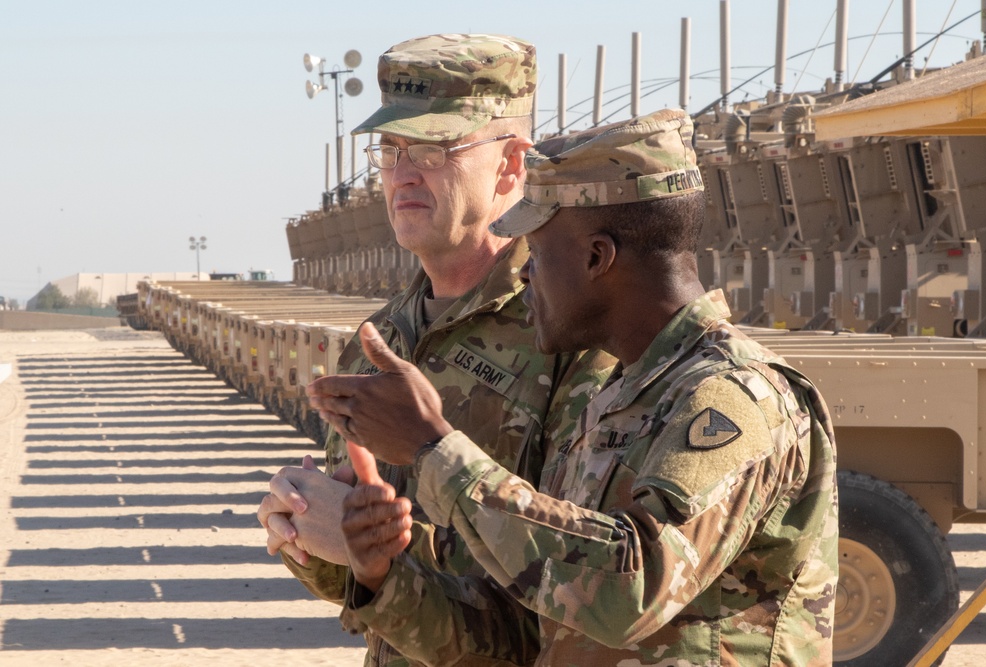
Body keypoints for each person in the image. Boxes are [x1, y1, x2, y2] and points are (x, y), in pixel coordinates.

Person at [317, 108, 840, 666]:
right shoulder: (616, 400)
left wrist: (436, 449)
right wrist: (379, 568)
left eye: (537, 254)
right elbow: (530, 636)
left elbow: (630, 591)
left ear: (597, 257)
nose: (523, 275)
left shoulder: (732, 397)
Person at [256, 33, 614, 666]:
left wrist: (381, 555)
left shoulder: (572, 334)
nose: (403, 174)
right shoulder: (382, 337)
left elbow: (587, 595)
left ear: (512, 165)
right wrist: (307, 531)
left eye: (435, 149)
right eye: (390, 150)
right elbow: (367, 587)